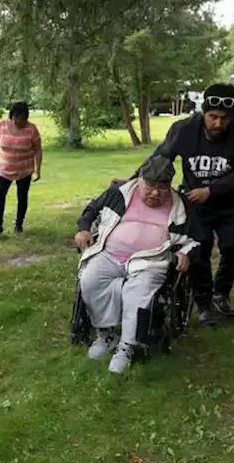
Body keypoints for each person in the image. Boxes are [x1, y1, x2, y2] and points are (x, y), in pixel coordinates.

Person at [73, 156, 198, 373]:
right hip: (110, 253)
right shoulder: (119, 193)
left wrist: (186, 252)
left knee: (137, 294)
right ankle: (105, 334)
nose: (156, 193)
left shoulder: (181, 205)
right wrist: (84, 228)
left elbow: (196, 238)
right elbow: (91, 210)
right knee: (90, 279)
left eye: (162, 188)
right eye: (150, 186)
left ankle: (127, 346)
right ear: (139, 179)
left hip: (150, 261)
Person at [152, 83, 234, 326]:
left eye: (224, 118)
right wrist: (135, 180)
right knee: (197, 251)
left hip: (231, 202)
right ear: (203, 112)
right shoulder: (184, 129)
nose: (218, 124)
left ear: (233, 115)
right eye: (213, 117)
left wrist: (211, 190)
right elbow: (160, 157)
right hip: (194, 203)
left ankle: (222, 293)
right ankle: (203, 302)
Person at [0, 101, 42, 235]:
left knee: (22, 197)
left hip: (24, 170)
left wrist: (38, 169)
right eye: (17, 119)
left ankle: (19, 224)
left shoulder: (32, 129)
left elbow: (38, 149)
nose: (19, 122)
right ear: (11, 116)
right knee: (0, 195)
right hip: (3, 168)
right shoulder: (2, 125)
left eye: (23, 119)